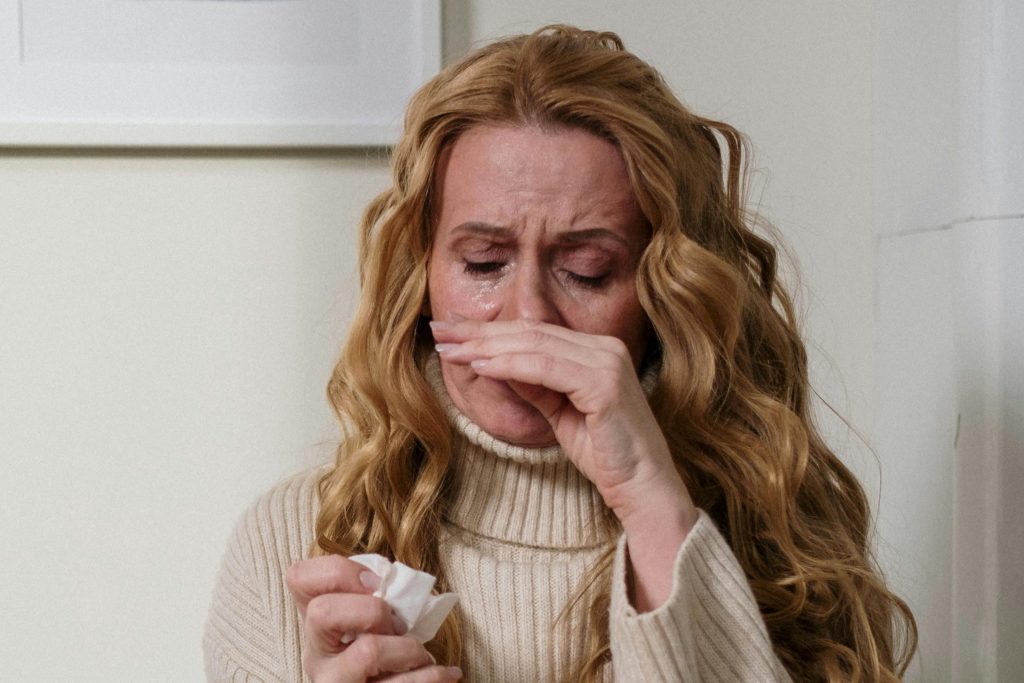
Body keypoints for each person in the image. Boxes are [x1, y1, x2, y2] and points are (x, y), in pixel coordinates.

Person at [203, 25, 917, 683]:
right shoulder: (292, 542)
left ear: (663, 294)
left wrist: (651, 500)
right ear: (422, 277)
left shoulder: (778, 535)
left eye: (586, 271)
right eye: (484, 263)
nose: (529, 318)